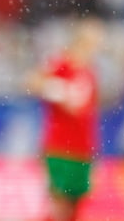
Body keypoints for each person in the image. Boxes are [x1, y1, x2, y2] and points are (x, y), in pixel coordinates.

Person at [25, 16, 105, 221]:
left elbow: (87, 111)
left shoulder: (89, 70)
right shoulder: (61, 62)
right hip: (61, 147)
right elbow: (32, 81)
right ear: (81, 40)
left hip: (83, 149)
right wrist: (59, 91)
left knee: (76, 206)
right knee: (59, 206)